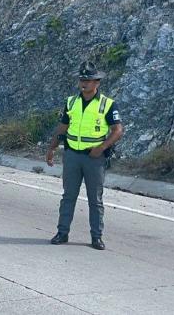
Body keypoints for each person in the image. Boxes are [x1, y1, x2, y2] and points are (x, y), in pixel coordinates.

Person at [45, 61, 124, 250]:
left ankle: (96, 237)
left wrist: (101, 148)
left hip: (94, 158)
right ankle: (62, 233)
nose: (84, 83)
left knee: (95, 200)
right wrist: (52, 147)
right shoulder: (71, 102)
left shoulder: (107, 104)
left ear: (97, 83)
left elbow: (118, 130)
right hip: (72, 155)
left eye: (88, 80)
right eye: (82, 79)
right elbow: (63, 126)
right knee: (68, 196)